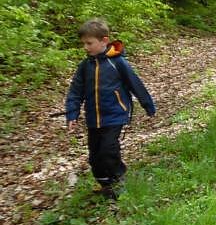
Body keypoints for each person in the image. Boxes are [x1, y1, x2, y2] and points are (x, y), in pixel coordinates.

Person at [65, 18, 156, 199]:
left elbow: (135, 84)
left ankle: (119, 180)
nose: (85, 47)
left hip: (115, 114)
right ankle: (105, 185)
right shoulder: (85, 67)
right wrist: (72, 114)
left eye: (89, 43)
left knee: (108, 150)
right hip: (94, 118)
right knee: (94, 157)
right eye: (84, 44)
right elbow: (75, 91)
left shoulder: (118, 63)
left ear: (104, 41)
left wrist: (148, 105)